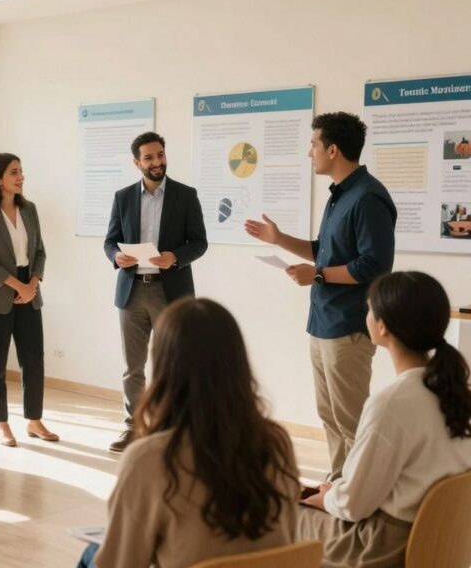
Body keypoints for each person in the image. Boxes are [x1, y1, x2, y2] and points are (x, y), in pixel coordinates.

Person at [78, 298, 299, 568]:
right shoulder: (277, 442)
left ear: (164, 367)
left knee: (92, 556)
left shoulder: (148, 459)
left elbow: (120, 564)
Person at [245, 112, 397, 479]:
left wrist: (316, 276)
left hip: (349, 324)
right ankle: (339, 482)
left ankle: (361, 491)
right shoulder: (340, 196)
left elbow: (374, 265)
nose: (308, 152)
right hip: (323, 322)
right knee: (329, 414)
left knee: (351, 418)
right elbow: (325, 252)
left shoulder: (368, 197)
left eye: (313, 145)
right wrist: (279, 239)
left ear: (333, 149)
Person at [296, 271, 471, 567]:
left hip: (384, 547)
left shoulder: (391, 403)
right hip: (441, 540)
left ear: (383, 327)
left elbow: (354, 504)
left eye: (368, 308)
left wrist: (328, 497)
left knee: (283, 512)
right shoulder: (458, 392)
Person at [103, 131, 208, 453]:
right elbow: (110, 241)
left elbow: (199, 242)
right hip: (132, 291)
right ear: (137, 163)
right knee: (132, 367)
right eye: (148, 157)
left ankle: (174, 429)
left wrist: (176, 256)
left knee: (174, 365)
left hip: (170, 292)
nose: (156, 162)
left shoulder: (185, 195)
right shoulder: (123, 197)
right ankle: (135, 427)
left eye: (160, 155)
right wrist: (115, 256)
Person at [0, 152, 57, 447]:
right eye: (13, 172)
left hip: (29, 292)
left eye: (21, 171)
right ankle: (1, 423)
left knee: (34, 360)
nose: (20, 177)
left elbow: (40, 253)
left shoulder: (30, 209)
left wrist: (31, 284)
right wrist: (18, 286)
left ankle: (34, 421)